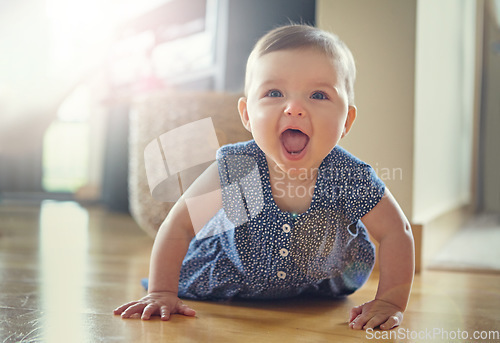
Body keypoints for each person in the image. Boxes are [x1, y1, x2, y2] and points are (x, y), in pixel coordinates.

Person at [114, 24, 414, 331]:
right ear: (246, 114)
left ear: (346, 120)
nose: (294, 108)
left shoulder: (348, 176)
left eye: (318, 95)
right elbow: (179, 226)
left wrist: (390, 302)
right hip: (232, 275)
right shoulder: (238, 167)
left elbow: (396, 231)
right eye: (274, 93)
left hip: (323, 285)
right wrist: (162, 291)